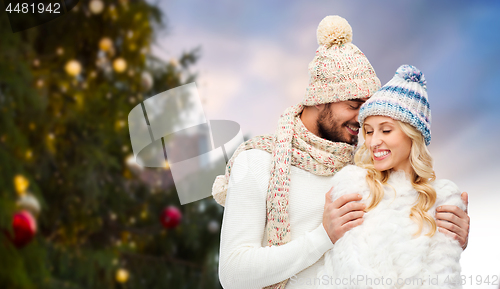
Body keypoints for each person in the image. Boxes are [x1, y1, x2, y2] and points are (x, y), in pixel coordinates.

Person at [212, 16, 470, 289]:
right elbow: (233, 275)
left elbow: (400, 250)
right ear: (318, 100)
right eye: (353, 104)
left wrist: (448, 238)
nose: (362, 120)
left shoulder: (368, 172)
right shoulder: (257, 161)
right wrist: (324, 236)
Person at [317, 64, 464, 289]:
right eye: (368, 131)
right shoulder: (353, 187)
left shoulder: (443, 200)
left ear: (412, 135)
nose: (374, 142)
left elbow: (444, 278)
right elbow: (344, 271)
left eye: (386, 130)